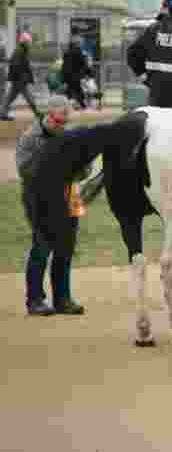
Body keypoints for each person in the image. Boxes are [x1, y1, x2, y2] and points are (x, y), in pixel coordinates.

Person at [16, 95, 87, 316]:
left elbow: (86, 168)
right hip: (40, 198)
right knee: (42, 247)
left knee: (65, 248)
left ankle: (62, 299)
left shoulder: (71, 135)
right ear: (48, 115)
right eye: (58, 121)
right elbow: (24, 170)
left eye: (65, 122)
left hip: (70, 196)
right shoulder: (31, 137)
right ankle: (35, 300)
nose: (61, 126)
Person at [0, 32, 42, 121]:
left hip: (19, 79)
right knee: (27, 96)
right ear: (25, 42)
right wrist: (23, 77)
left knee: (10, 97)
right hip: (20, 80)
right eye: (28, 42)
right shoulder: (20, 51)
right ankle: (37, 112)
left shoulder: (20, 50)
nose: (29, 44)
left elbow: (19, 65)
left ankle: (2, 113)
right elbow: (17, 65)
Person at [61, 36, 91, 110]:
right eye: (79, 43)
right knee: (78, 90)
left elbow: (64, 66)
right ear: (76, 44)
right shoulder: (79, 52)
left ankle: (76, 105)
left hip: (68, 76)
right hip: (77, 75)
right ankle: (82, 105)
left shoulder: (66, 53)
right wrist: (88, 74)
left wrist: (64, 78)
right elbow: (84, 64)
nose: (80, 44)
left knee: (70, 91)